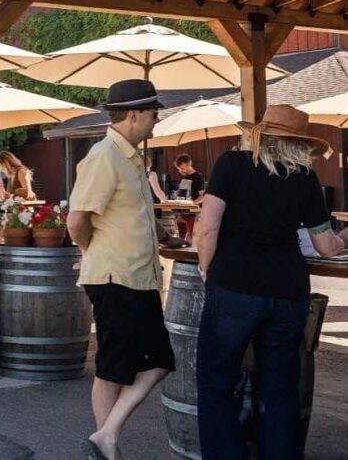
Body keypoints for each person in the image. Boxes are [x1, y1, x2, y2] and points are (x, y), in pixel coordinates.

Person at [193, 105, 347, 459]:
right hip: (288, 292)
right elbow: (326, 245)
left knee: (217, 383)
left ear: (259, 134)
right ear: (299, 145)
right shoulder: (306, 179)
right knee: (280, 389)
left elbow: (208, 226)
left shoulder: (231, 164)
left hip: (234, 287)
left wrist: (206, 269)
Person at [66, 79, 175, 460]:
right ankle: (107, 443)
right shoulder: (104, 156)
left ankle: (106, 437)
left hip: (135, 277)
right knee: (118, 367)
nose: (156, 121)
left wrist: (160, 233)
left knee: (151, 362)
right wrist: (95, 250)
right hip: (116, 277)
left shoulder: (130, 157)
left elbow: (129, 215)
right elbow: (77, 220)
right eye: (153, 114)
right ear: (133, 114)